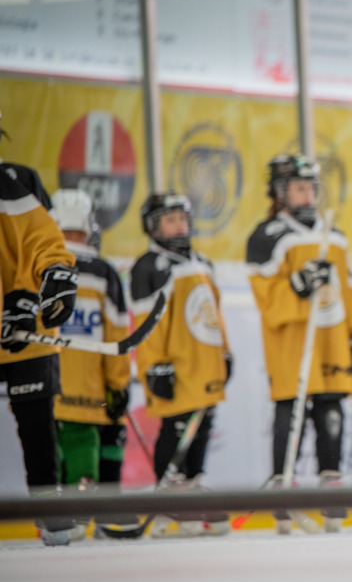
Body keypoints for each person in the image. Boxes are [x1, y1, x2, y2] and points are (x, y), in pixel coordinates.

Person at [246, 154, 352, 534]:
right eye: (299, 187)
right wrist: (298, 284)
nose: (307, 194)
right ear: (280, 192)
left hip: (331, 340)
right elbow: (265, 295)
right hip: (291, 343)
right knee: (290, 408)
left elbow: (350, 290)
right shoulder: (267, 236)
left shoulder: (335, 235)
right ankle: (284, 491)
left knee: (332, 408)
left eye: (311, 187)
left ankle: (331, 489)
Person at [130, 192, 232, 537]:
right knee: (174, 429)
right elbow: (146, 323)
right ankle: (168, 500)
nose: (179, 226)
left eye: (182, 219)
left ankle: (193, 488)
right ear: (152, 227)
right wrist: (155, 365)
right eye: (170, 220)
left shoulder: (203, 262)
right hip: (174, 366)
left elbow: (213, 313)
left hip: (205, 363)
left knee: (201, 428)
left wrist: (225, 352)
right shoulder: (147, 266)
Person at [0, 153, 80, 546]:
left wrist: (33, 292)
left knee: (36, 426)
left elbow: (42, 239)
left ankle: (49, 507)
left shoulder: (14, 180)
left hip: (25, 325)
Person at [49, 189, 138, 540]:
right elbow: (117, 337)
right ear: (88, 226)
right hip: (90, 390)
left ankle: (63, 515)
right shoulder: (103, 272)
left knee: (52, 448)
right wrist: (118, 384)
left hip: (46, 385)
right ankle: (90, 510)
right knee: (93, 439)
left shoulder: (38, 266)